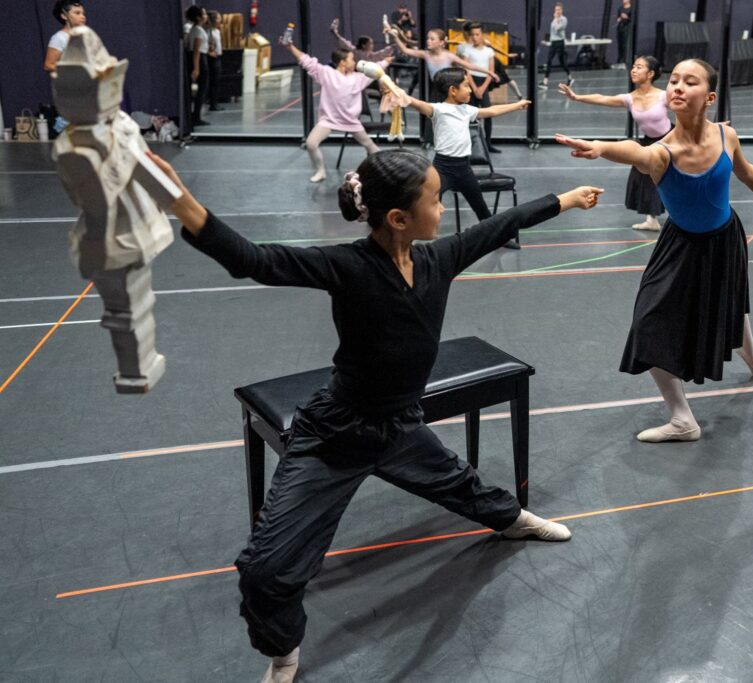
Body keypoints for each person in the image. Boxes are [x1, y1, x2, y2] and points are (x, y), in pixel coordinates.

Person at [147, 147, 601, 683]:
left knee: (456, 482)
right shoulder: (346, 267)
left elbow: (505, 222)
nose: (443, 205)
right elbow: (253, 260)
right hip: (336, 433)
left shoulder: (439, 258)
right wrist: (178, 200)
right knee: (266, 571)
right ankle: (283, 652)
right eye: (436, 198)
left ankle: (510, 521)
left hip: (400, 424)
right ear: (398, 218)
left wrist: (566, 200)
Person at [555, 59, 753, 442]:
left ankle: (751, 356)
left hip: (726, 236)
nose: (678, 87)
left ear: (710, 97)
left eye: (690, 81)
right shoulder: (662, 153)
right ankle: (683, 419)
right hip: (682, 244)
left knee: (731, 298)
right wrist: (599, 148)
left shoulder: (726, 137)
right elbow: (635, 151)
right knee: (648, 322)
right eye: (674, 81)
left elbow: (747, 172)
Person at [403, 67, 530, 249]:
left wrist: (517, 105)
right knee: (426, 205)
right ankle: (406, 242)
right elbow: (417, 104)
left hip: (464, 169)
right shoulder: (438, 110)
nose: (470, 90)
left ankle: (498, 238)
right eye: (466, 86)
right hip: (442, 169)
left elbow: (492, 111)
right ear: (452, 90)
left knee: (481, 207)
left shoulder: (467, 110)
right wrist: (401, 95)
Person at [559, 56, 670, 231]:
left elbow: (687, 109)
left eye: (639, 67)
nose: (633, 70)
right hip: (649, 142)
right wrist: (576, 97)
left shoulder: (663, 96)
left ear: (650, 74)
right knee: (645, 179)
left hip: (669, 139)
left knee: (670, 179)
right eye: (633, 66)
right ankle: (652, 219)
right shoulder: (630, 98)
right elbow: (601, 98)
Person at [283, 37, 389, 183]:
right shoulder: (327, 73)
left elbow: (376, 70)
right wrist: (290, 47)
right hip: (329, 120)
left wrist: (387, 61)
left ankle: (385, 169)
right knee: (311, 143)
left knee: (369, 145)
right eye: (351, 59)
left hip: (350, 121)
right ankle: (320, 171)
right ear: (342, 62)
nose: (354, 62)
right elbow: (306, 61)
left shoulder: (358, 78)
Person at [456, 22, 500, 153]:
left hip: (484, 83)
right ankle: (470, 144)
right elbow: (466, 69)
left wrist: (482, 88)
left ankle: (488, 143)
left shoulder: (489, 51)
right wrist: (474, 88)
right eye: (472, 35)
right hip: (471, 83)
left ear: (482, 35)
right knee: (469, 115)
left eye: (477, 34)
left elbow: (490, 70)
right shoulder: (467, 50)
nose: (475, 37)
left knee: (488, 114)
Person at [185, 5, 210, 127]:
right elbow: (196, 50)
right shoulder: (198, 31)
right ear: (198, 17)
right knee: (202, 89)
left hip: (198, 58)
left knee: (201, 89)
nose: (206, 16)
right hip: (200, 60)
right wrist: (196, 68)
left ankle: (195, 115)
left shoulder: (195, 29)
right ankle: (196, 117)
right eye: (203, 14)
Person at [44, 1, 86, 73]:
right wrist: (73, 71)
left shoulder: (84, 36)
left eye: (83, 13)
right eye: (77, 13)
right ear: (64, 16)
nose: (83, 17)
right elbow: (48, 65)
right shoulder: (59, 38)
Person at [540, 3, 572, 90]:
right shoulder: (554, 20)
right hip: (553, 43)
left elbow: (557, 28)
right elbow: (552, 31)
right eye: (556, 10)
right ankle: (545, 82)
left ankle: (570, 77)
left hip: (560, 43)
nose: (557, 11)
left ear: (562, 11)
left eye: (558, 10)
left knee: (562, 62)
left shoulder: (564, 19)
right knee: (549, 61)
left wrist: (556, 18)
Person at [206, 10, 223, 112]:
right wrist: (210, 52)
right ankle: (212, 103)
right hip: (213, 58)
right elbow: (207, 44)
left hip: (218, 57)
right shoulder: (209, 32)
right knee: (213, 81)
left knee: (216, 81)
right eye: (218, 18)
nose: (220, 20)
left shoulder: (217, 31)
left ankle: (215, 102)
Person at [615, 0, 634, 68]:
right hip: (620, 28)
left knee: (626, 45)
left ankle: (626, 62)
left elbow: (632, 19)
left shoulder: (632, 8)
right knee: (620, 45)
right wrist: (620, 18)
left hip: (627, 28)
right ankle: (620, 61)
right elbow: (618, 18)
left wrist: (627, 17)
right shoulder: (620, 8)